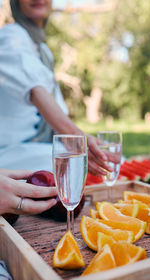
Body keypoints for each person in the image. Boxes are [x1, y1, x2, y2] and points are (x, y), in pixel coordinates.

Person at [0, 0, 111, 176]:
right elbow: (36, 89)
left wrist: (82, 144)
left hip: (37, 148)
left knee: (108, 157)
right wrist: (75, 137)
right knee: (66, 163)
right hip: (10, 151)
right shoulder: (10, 35)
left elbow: (57, 109)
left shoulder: (43, 51)